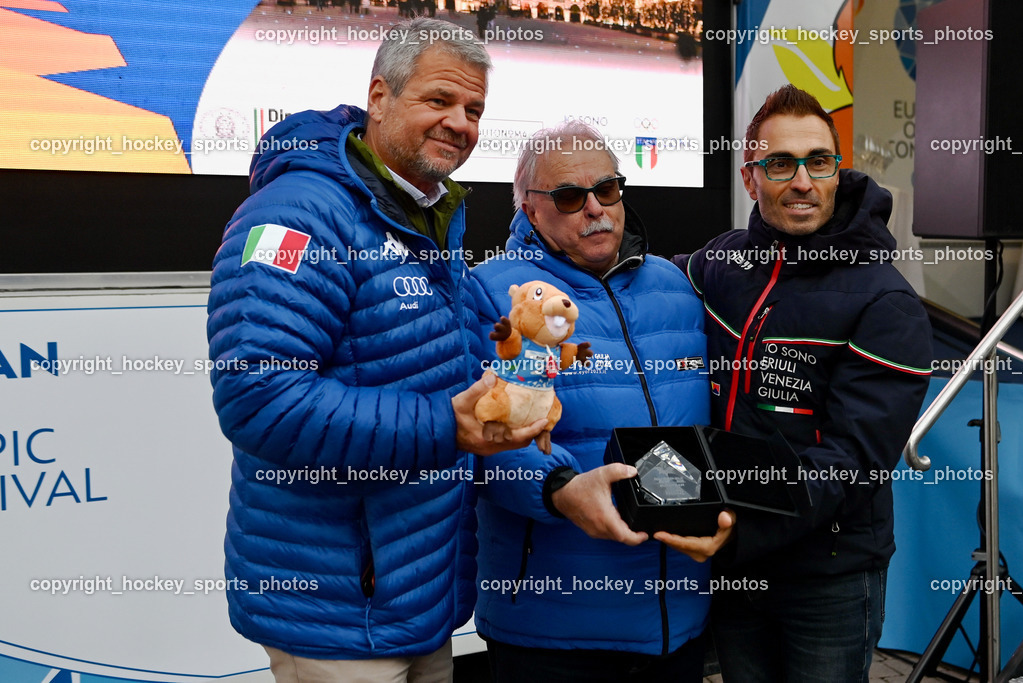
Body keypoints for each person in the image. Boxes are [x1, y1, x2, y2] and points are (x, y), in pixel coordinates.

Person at [207, 18, 541, 682]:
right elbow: (258, 395)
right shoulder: (297, 214)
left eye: (473, 109)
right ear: (380, 97)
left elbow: (438, 359)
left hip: (416, 595)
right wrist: (449, 423)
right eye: (439, 100)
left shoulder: (427, 212)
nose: (459, 122)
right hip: (334, 608)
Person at [673, 84, 933, 682]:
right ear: (749, 177)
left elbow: (852, 461)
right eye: (780, 163)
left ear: (836, 171)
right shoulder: (720, 264)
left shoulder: (884, 299)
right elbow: (641, 296)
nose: (802, 181)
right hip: (737, 568)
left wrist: (739, 532)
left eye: (818, 161)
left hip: (828, 577)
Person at [469, 120, 735, 683]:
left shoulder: (677, 288)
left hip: (679, 619)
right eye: (570, 196)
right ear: (531, 210)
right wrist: (560, 490)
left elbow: (707, 434)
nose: (595, 208)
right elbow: (483, 442)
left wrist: (727, 509)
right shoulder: (493, 294)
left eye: (607, 189)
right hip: (553, 631)